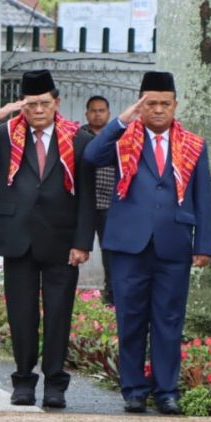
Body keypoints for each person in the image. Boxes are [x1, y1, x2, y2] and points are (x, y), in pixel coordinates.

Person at [83, 71, 211, 415]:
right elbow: (91, 156)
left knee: (169, 320)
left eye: (164, 104)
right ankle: (134, 390)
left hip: (174, 244)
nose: (158, 110)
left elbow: (203, 198)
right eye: (150, 103)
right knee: (131, 318)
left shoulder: (194, 145)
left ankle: (166, 390)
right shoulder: (125, 139)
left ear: (175, 105)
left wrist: (204, 244)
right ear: (141, 105)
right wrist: (121, 120)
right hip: (128, 244)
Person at [0, 69, 95, 409]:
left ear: (57, 103)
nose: (38, 110)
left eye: (44, 103)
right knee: (20, 314)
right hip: (16, 237)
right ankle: (23, 380)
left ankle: (55, 383)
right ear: (22, 105)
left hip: (61, 240)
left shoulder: (76, 138)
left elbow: (87, 195)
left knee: (58, 314)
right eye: (32, 104)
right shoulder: (8, 134)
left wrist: (82, 241)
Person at [85, 95, 117, 305]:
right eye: (94, 110)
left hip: (109, 205)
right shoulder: (78, 136)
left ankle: (111, 298)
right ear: (87, 113)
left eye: (101, 110)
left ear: (108, 114)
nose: (97, 114)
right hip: (83, 204)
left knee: (111, 253)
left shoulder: (116, 136)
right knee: (73, 250)